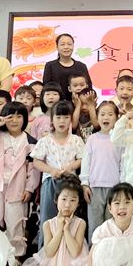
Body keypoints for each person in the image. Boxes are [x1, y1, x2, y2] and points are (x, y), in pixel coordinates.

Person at [0, 175, 93, 266]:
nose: (67, 204)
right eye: (64, 199)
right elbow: (49, 252)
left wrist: (67, 230)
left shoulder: (80, 223)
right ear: (56, 200)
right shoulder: (48, 224)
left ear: (78, 203)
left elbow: (74, 252)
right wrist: (59, 230)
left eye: (73, 200)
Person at [0, 102, 40, 257]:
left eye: (19, 117)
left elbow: (33, 169)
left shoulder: (31, 142)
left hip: (17, 189)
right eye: (10, 117)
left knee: (15, 223)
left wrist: (29, 189)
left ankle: (15, 258)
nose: (14, 121)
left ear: (25, 119)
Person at [31, 101, 85, 243]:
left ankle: (69, 249)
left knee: (71, 218)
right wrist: (50, 170)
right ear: (52, 120)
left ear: (71, 119)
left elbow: (83, 159)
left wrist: (70, 167)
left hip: (71, 184)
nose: (62, 121)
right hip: (51, 183)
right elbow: (36, 161)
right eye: (58, 117)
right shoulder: (45, 141)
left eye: (66, 117)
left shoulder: (76, 140)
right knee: (48, 217)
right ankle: (46, 250)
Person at [81, 101, 121, 239]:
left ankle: (110, 250)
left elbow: (123, 164)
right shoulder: (92, 139)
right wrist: (85, 184)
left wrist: (122, 186)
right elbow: (86, 162)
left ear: (116, 117)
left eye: (110, 114)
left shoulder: (119, 139)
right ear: (97, 118)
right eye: (102, 114)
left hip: (114, 188)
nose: (106, 117)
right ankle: (94, 250)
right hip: (95, 188)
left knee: (112, 224)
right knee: (95, 224)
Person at [42, 33, 91, 102]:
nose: (66, 47)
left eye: (69, 44)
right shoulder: (50, 66)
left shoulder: (81, 66)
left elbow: (89, 88)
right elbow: (46, 88)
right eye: (62, 44)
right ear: (57, 47)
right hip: (57, 105)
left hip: (79, 104)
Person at [69, 74, 98, 138]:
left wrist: (91, 106)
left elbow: (97, 126)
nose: (84, 107)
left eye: (87, 104)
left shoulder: (99, 114)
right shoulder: (75, 113)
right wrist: (78, 106)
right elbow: (73, 127)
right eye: (81, 104)